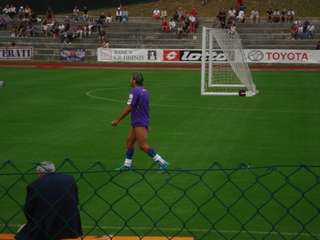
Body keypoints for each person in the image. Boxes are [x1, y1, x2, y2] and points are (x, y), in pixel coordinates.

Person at [111, 72, 169, 171]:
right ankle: (127, 165)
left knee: (142, 145)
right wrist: (147, 122)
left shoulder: (134, 91)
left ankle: (162, 162)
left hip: (139, 121)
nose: (129, 81)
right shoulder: (145, 91)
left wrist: (118, 119)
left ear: (134, 81)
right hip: (140, 120)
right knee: (129, 141)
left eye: (130, 79)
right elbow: (146, 107)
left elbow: (130, 107)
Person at [15, 161, 82, 240]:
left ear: (39, 173)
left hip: (46, 226)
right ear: (53, 170)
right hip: (71, 224)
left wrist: (29, 224)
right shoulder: (69, 179)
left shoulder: (34, 186)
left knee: (21, 234)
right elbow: (76, 201)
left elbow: (29, 211)